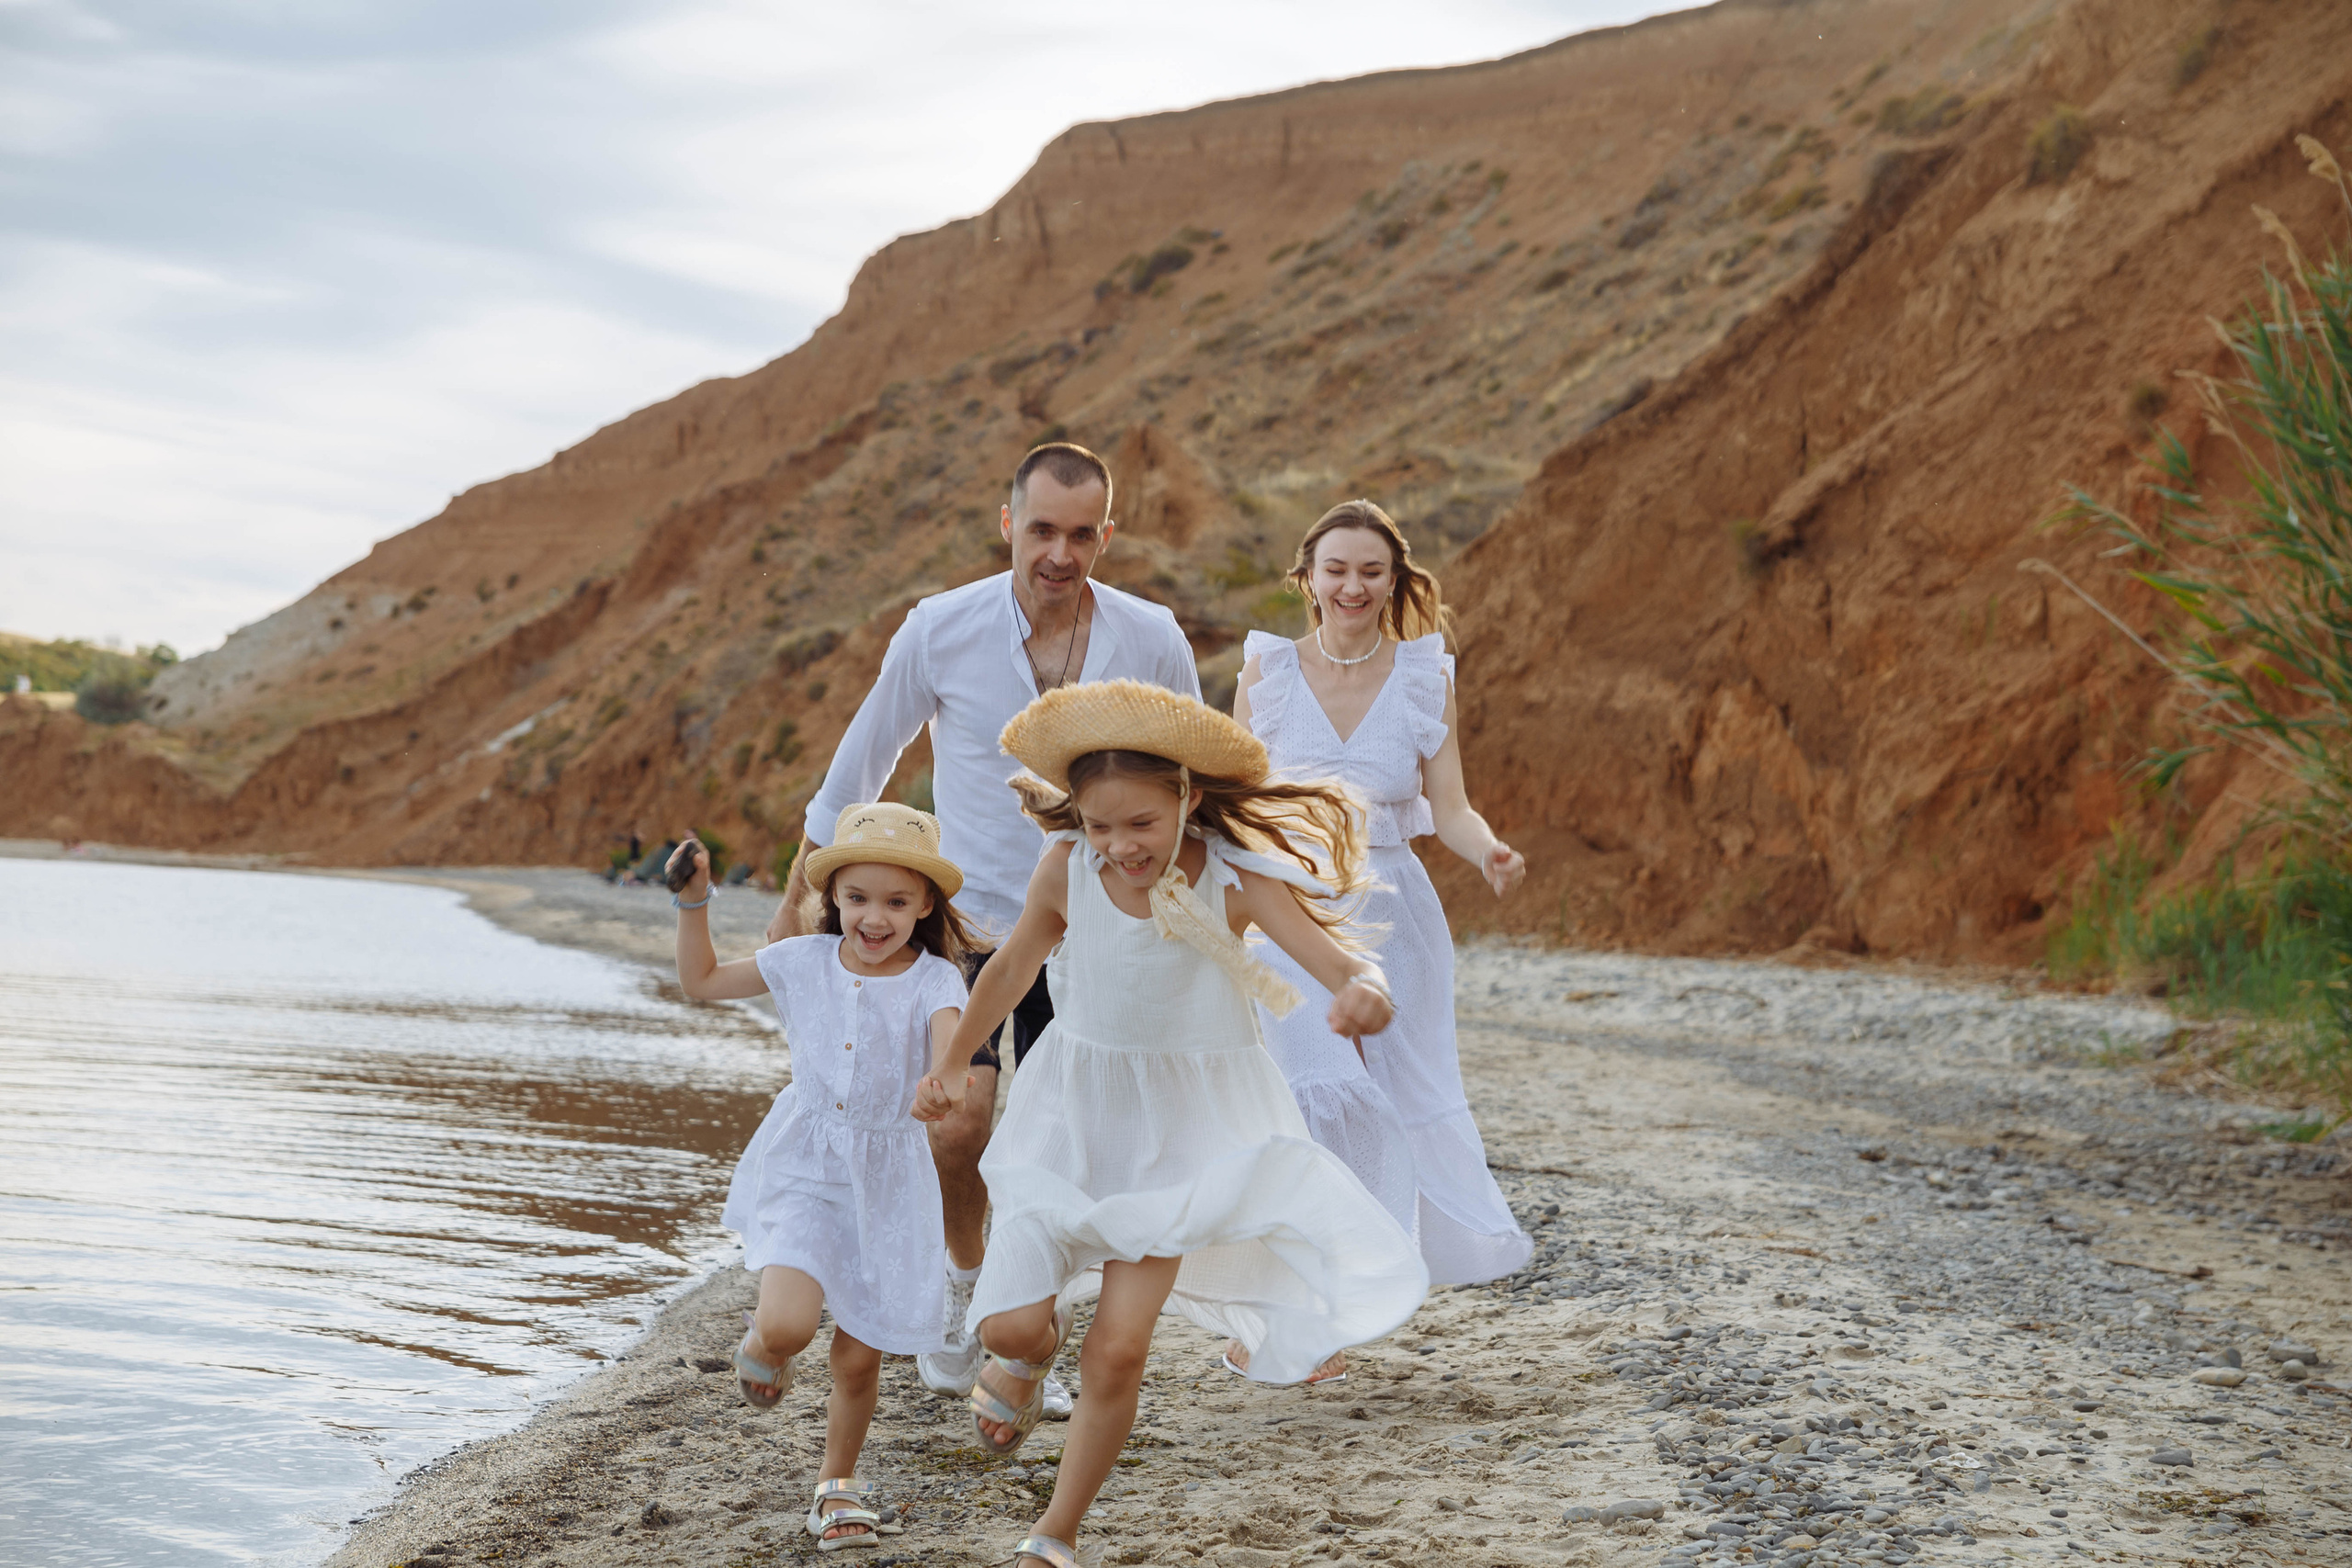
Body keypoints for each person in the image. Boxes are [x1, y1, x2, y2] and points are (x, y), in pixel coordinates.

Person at [911, 680, 1428, 1568]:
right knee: (1006, 1329)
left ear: (1186, 797)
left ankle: (1055, 1532)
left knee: (1119, 1350)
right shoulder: (1068, 866)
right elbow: (1006, 972)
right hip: (1070, 1116)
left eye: (1140, 825)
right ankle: (1032, 1359)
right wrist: (955, 1060)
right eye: (1101, 825)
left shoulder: (1233, 876)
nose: (1120, 847)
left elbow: (1341, 961)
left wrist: (1365, 994)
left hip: (1181, 1142)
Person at [767, 442, 1200, 1405]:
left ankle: (1020, 1329)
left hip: (1096, 931)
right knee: (956, 1125)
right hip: (966, 929)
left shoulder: (1152, 637)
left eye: (1081, 534)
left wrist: (1200, 914)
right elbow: (861, 761)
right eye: (1041, 529)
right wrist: (796, 896)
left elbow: (1186, 785)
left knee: (1071, 1142)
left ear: (1106, 536)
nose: (1060, 552)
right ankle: (967, 1284)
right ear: (1008, 523)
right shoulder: (941, 628)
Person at [1227, 499, 1531, 1380]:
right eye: (1336, 569)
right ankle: (1292, 1312)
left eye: (1371, 570)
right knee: (1310, 1095)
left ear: (1394, 581)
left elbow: (1451, 805)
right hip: (1288, 907)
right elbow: (1234, 799)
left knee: (1393, 1097)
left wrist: (1489, 852)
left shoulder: (1424, 675)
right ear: (1308, 578)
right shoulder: (1268, 672)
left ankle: (1332, 1300)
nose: (1353, 585)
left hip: (1396, 913)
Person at [671, 805, 977, 1551]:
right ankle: (766, 1344)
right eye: (858, 898)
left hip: (891, 1178)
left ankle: (835, 1487)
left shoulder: (937, 978)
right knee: (788, 1325)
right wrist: (693, 901)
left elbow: (951, 1054)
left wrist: (942, 1084)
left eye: (897, 902)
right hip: (808, 1162)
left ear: (926, 905)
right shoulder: (803, 958)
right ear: (833, 895)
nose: (875, 918)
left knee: (859, 1351)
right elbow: (702, 981)